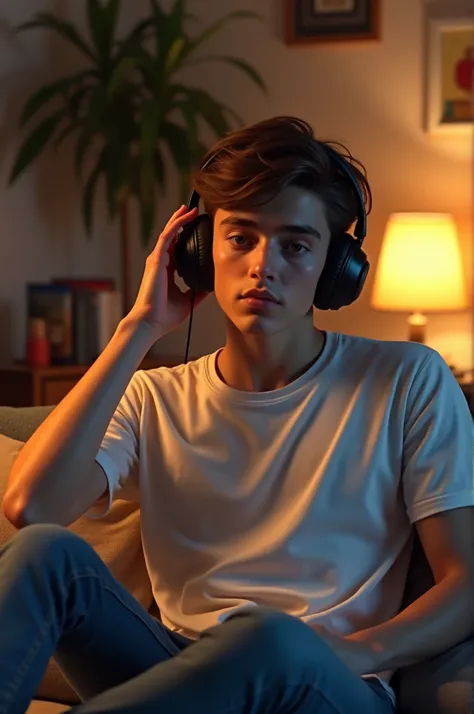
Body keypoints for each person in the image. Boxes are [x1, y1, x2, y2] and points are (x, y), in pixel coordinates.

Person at [1, 116, 473, 714]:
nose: (262, 265)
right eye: (240, 237)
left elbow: (467, 585)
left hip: (322, 682)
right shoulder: (154, 397)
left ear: (336, 269)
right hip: (178, 669)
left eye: (295, 245)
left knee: (269, 634)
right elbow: (31, 506)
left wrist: (353, 652)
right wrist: (138, 329)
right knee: (45, 555)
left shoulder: (408, 380)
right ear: (199, 251)